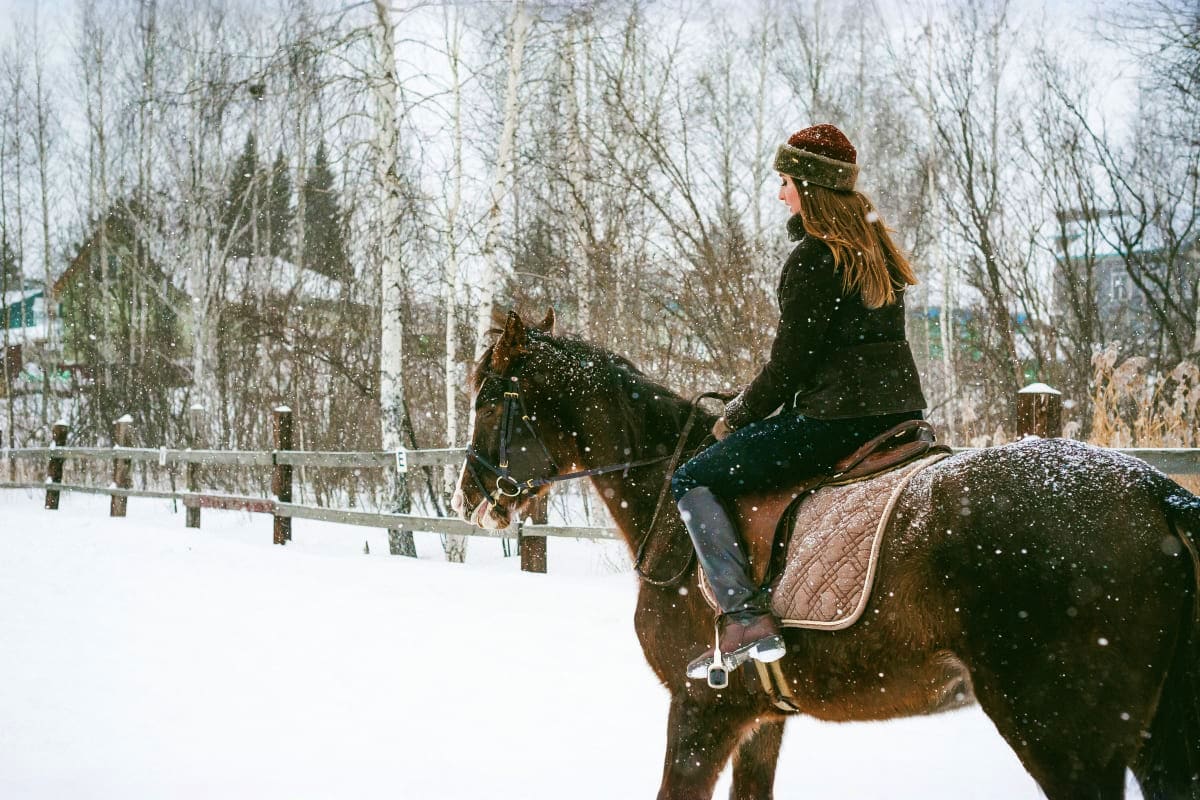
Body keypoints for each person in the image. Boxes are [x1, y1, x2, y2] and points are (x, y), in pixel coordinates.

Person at [672, 123, 928, 682]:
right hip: (899, 416)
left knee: (691, 478)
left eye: (785, 180)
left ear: (808, 187)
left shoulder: (815, 258)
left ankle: (743, 616)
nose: (780, 192)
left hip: (834, 421)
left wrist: (737, 414)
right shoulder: (874, 251)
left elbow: (791, 366)